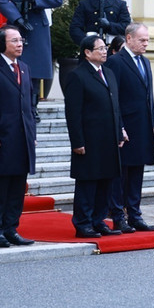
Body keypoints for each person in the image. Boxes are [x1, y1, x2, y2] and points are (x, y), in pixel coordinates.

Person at [0, 25, 37, 247]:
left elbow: (30, 103)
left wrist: (32, 132)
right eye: (14, 40)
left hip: (22, 137)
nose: (20, 44)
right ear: (2, 44)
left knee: (17, 186)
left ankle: (11, 228)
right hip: (2, 138)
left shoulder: (24, 67)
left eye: (21, 40)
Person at [63, 35, 126, 238]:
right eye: (99, 48)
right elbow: (73, 113)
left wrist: (119, 132)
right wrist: (77, 141)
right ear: (87, 52)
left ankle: (98, 220)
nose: (104, 51)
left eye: (105, 48)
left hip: (108, 140)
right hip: (89, 140)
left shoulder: (108, 73)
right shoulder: (77, 76)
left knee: (106, 183)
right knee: (88, 184)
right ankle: (83, 223)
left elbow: (115, 106)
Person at [105, 22, 154, 233]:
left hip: (142, 125)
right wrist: (119, 127)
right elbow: (113, 98)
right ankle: (118, 216)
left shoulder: (145, 62)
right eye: (142, 40)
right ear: (128, 39)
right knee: (121, 173)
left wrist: (153, 121)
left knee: (137, 171)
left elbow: (149, 95)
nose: (146, 44)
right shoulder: (116, 62)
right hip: (125, 126)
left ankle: (135, 214)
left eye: (147, 40)